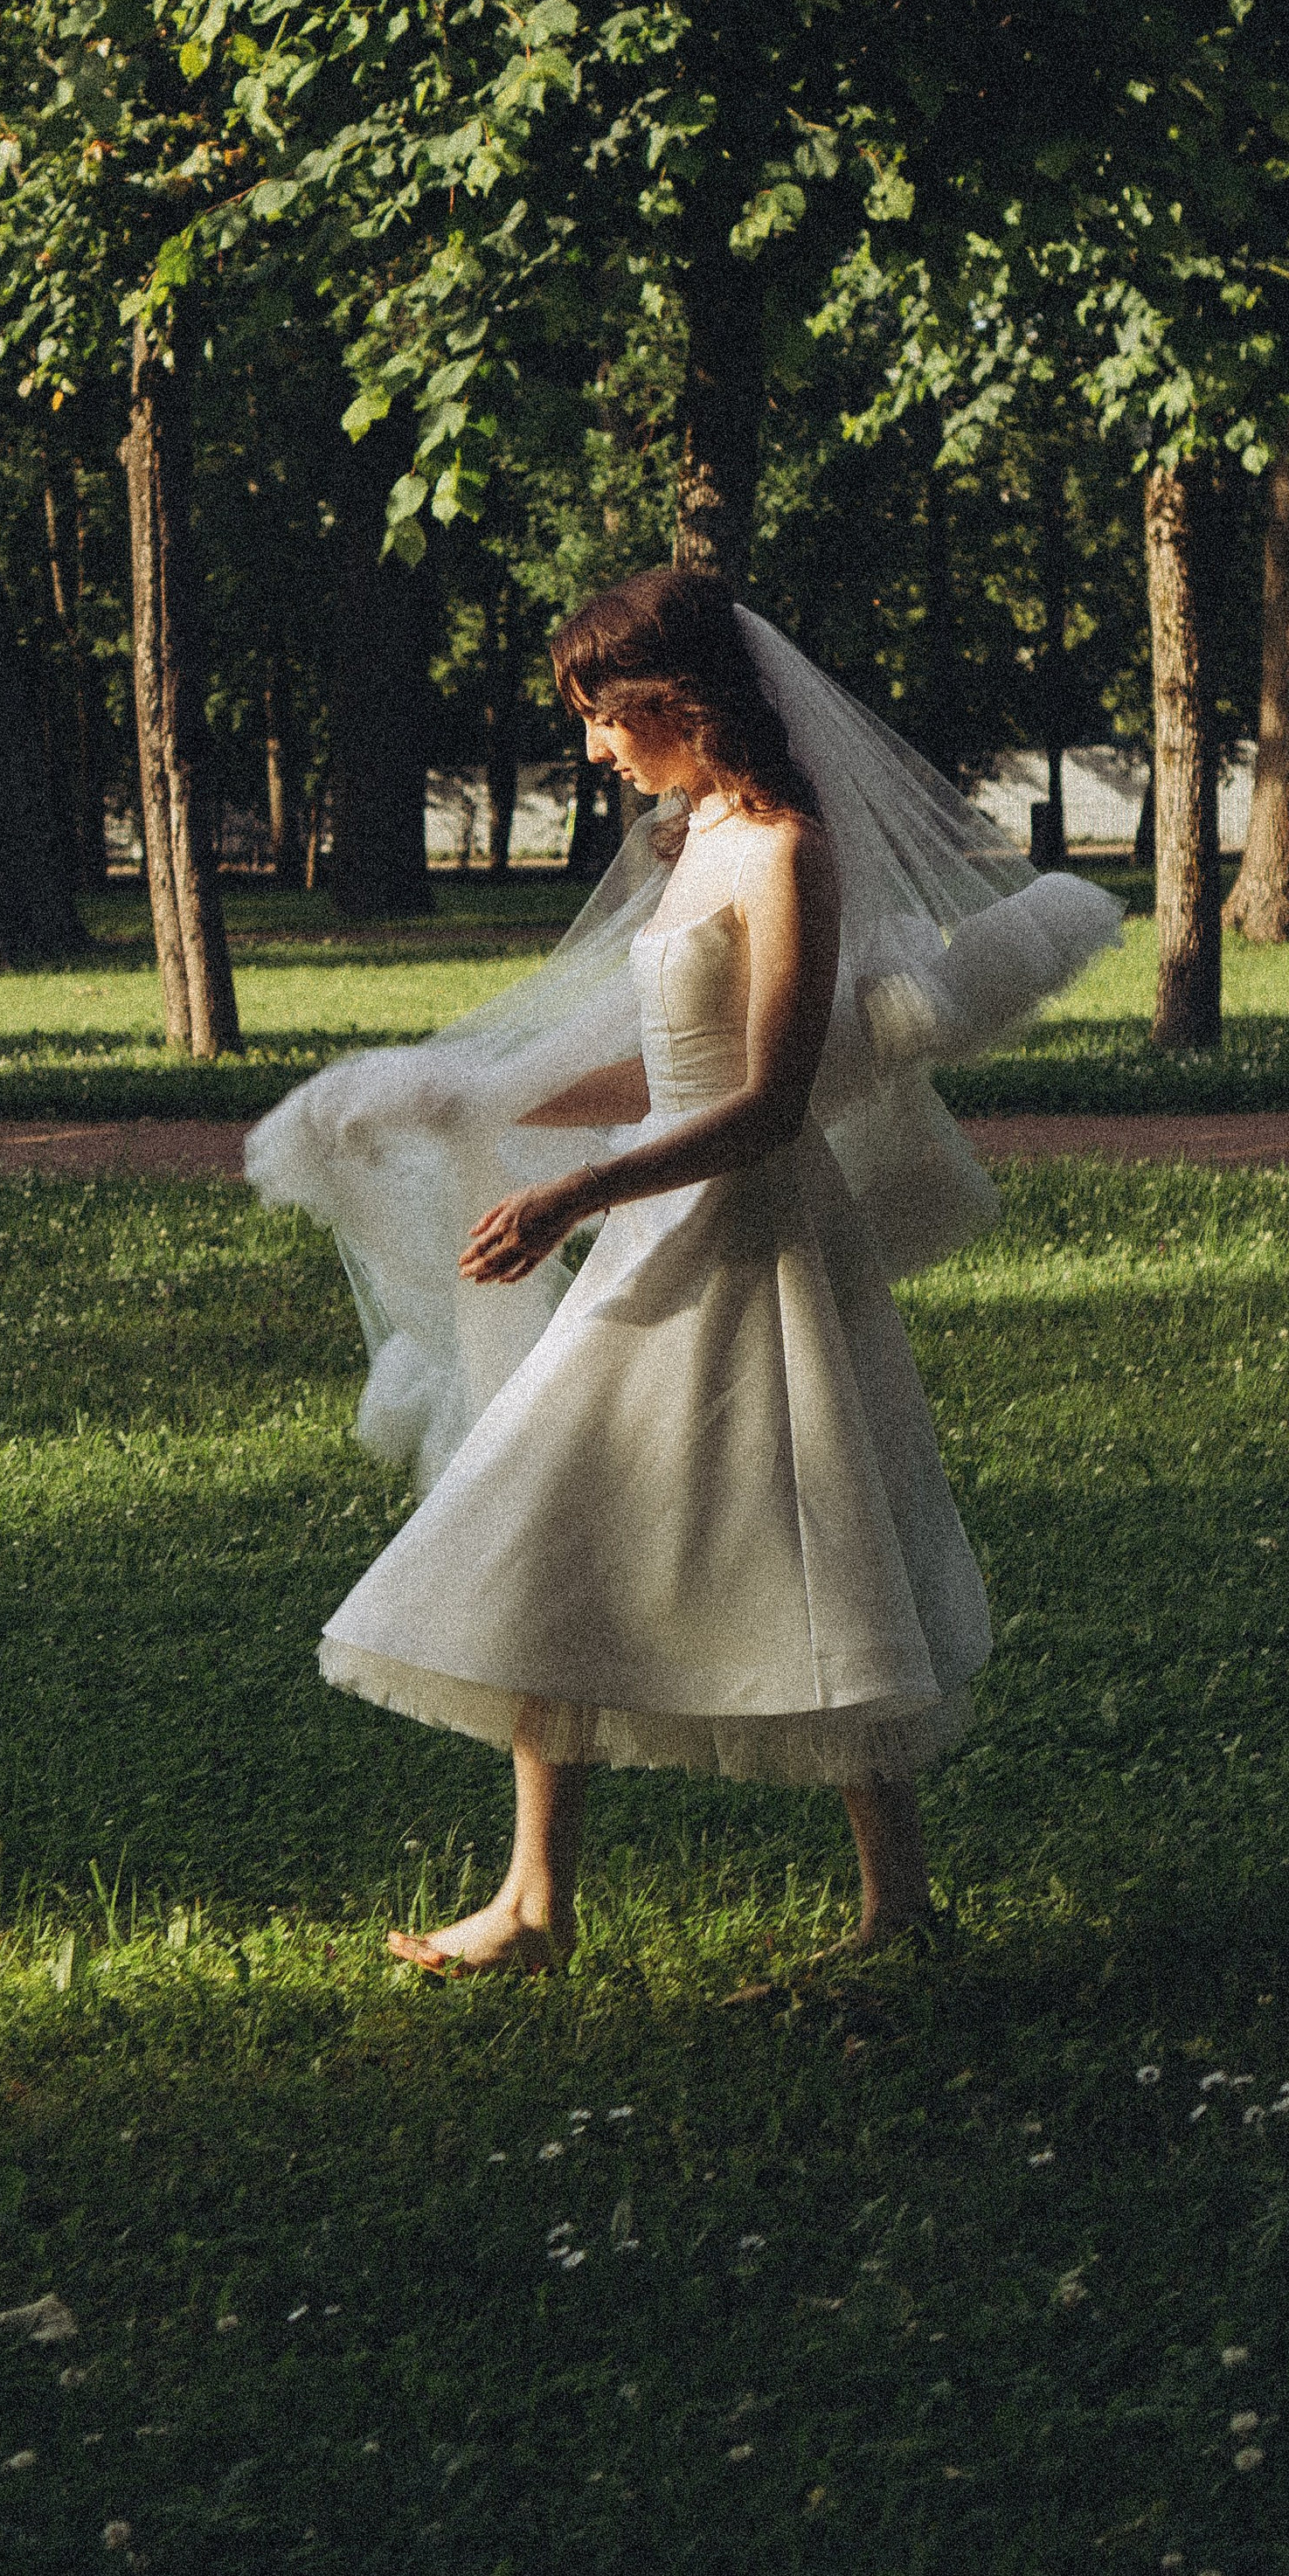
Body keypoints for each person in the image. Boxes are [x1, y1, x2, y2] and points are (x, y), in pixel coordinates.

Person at [246, 570, 1119, 1975]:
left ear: (683, 699)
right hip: (658, 1224)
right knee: (553, 1520)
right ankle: (533, 1905)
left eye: (607, 715)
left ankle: (897, 1909)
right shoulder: (692, 841)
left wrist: (580, 1189)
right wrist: (491, 1106)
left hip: (753, 1239)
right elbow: (668, 1068)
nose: (597, 746)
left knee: (819, 1544)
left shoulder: (787, 853)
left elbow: (771, 1104)